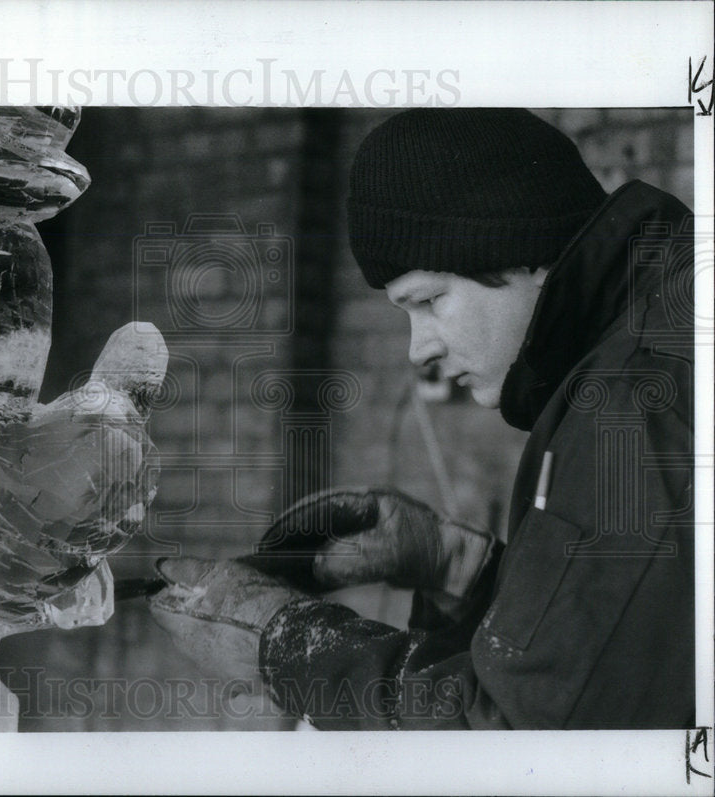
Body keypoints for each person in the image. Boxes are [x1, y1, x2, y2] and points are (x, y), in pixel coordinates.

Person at [147, 108, 696, 729]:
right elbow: (616, 652)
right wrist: (459, 567)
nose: (419, 349)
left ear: (524, 248)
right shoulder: (644, 348)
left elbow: (520, 747)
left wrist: (291, 647)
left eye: (430, 300)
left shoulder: (642, 400)